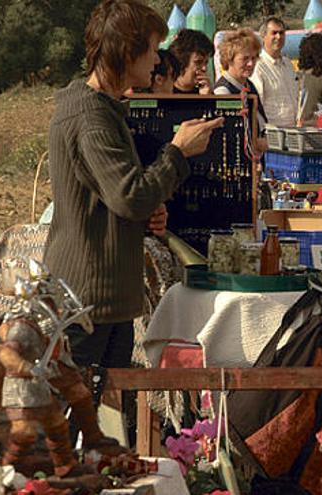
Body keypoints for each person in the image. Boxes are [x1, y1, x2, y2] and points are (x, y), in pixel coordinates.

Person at [44, 0, 222, 429]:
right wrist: (178, 153)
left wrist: (143, 218)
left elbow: (108, 199)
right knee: (72, 431)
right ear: (127, 53)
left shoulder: (100, 109)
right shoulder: (91, 116)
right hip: (87, 302)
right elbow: (129, 195)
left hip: (101, 299)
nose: (159, 59)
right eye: (152, 49)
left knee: (98, 428)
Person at [251, 17, 299, 127]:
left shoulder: (288, 64)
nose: (278, 37)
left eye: (282, 33)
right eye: (274, 33)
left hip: (293, 128)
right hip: (272, 132)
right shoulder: (258, 66)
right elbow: (257, 104)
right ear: (263, 36)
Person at [169, 29, 214, 94]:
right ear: (180, 62)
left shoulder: (206, 91)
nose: (204, 68)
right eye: (198, 62)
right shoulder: (164, 92)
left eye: (206, 63)